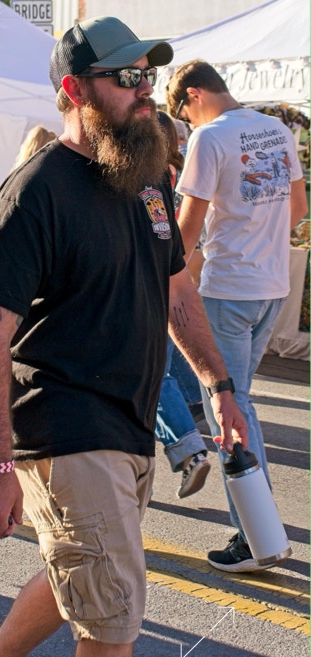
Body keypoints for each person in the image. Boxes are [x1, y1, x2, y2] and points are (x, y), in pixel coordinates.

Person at [0, 17, 247, 657]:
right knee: (112, 615)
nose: (144, 91)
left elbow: (177, 292)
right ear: (75, 90)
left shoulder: (146, 183)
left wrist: (219, 386)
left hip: (129, 424)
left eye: (148, 77)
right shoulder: (37, 189)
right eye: (126, 78)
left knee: (84, 575)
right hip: (64, 426)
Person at [167, 59, 308, 572]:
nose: (187, 123)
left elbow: (188, 225)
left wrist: (165, 273)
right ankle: (258, 529)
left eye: (183, 113)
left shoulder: (209, 138)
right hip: (272, 286)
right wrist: (257, 236)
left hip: (229, 286)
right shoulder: (276, 129)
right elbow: (298, 208)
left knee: (226, 404)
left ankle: (255, 535)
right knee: (238, 400)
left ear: (194, 94)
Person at [154, 111, 210, 498]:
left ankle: (189, 448)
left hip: (161, 276)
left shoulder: (154, 181)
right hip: (183, 275)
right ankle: (194, 407)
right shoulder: (182, 175)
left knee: (153, 372)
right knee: (174, 357)